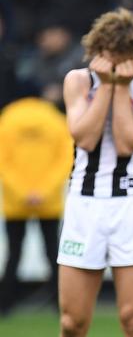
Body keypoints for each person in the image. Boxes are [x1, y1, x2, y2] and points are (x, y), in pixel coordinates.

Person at [57, 8, 133, 337]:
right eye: (109, 55)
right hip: (85, 203)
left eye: (124, 56)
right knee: (72, 323)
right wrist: (105, 86)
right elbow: (86, 138)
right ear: (97, 50)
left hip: (130, 204)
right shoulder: (77, 81)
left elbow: (127, 143)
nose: (117, 63)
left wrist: (120, 87)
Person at [0, 95, 73, 316]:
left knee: (14, 253)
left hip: (15, 201)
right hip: (48, 201)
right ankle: (61, 303)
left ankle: (5, 304)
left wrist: (22, 192)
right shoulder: (56, 120)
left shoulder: (7, 119)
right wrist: (44, 191)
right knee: (54, 253)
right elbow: (66, 159)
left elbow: (3, 162)